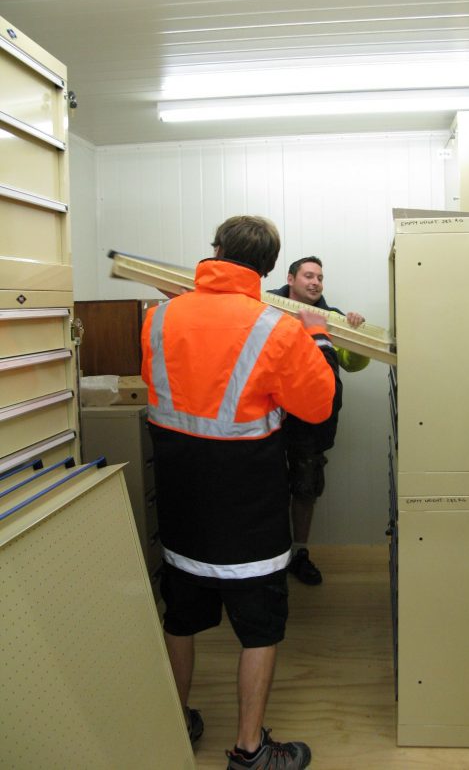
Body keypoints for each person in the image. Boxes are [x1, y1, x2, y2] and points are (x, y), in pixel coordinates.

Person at [141, 217, 338, 770]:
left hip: (179, 500)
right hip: (248, 506)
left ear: (216, 251)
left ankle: (176, 723)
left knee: (179, 617)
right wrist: (316, 336)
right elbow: (317, 408)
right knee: (259, 629)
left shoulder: (158, 318)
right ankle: (249, 752)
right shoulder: (277, 328)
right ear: (271, 269)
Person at [269, 256, 369, 585]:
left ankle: (299, 554)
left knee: (304, 489)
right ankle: (268, 556)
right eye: (309, 275)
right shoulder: (265, 305)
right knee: (264, 488)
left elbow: (354, 364)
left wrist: (356, 333)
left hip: (310, 424)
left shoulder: (333, 318)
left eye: (320, 278)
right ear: (291, 278)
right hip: (267, 416)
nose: (315, 282)